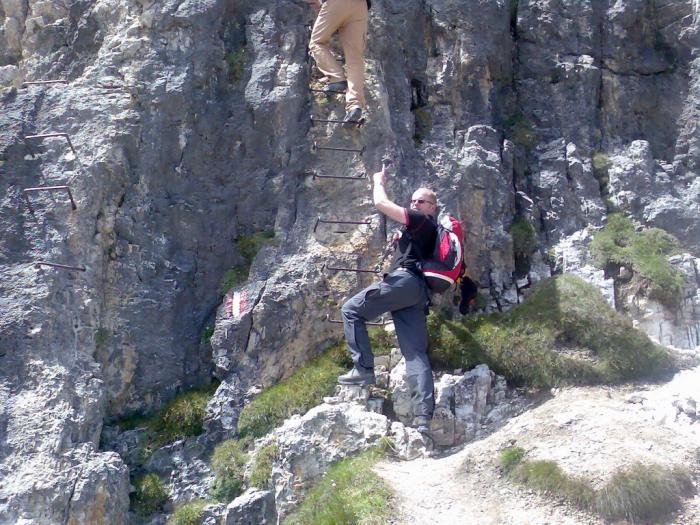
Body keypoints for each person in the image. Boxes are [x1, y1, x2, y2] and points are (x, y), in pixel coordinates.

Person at [338, 164, 438, 433]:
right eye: (413, 200)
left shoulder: (421, 220)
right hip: (418, 292)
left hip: (404, 282)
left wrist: (378, 180)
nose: (416, 203)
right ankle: (423, 419)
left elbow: (380, 202)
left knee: (351, 310)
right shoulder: (426, 228)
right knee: (415, 354)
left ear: (432, 207)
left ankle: (363, 369)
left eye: (422, 201)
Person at [307, 0, 370, 122]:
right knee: (355, 59)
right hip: (360, 6)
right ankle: (355, 105)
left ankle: (336, 77)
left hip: (336, 3)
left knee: (316, 43)